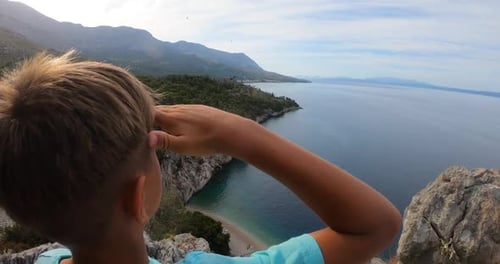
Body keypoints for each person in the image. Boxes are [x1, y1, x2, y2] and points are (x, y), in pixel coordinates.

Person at [0, 51, 401, 264]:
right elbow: (372, 228)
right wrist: (245, 136)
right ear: (137, 198)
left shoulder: (50, 258)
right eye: (152, 152)